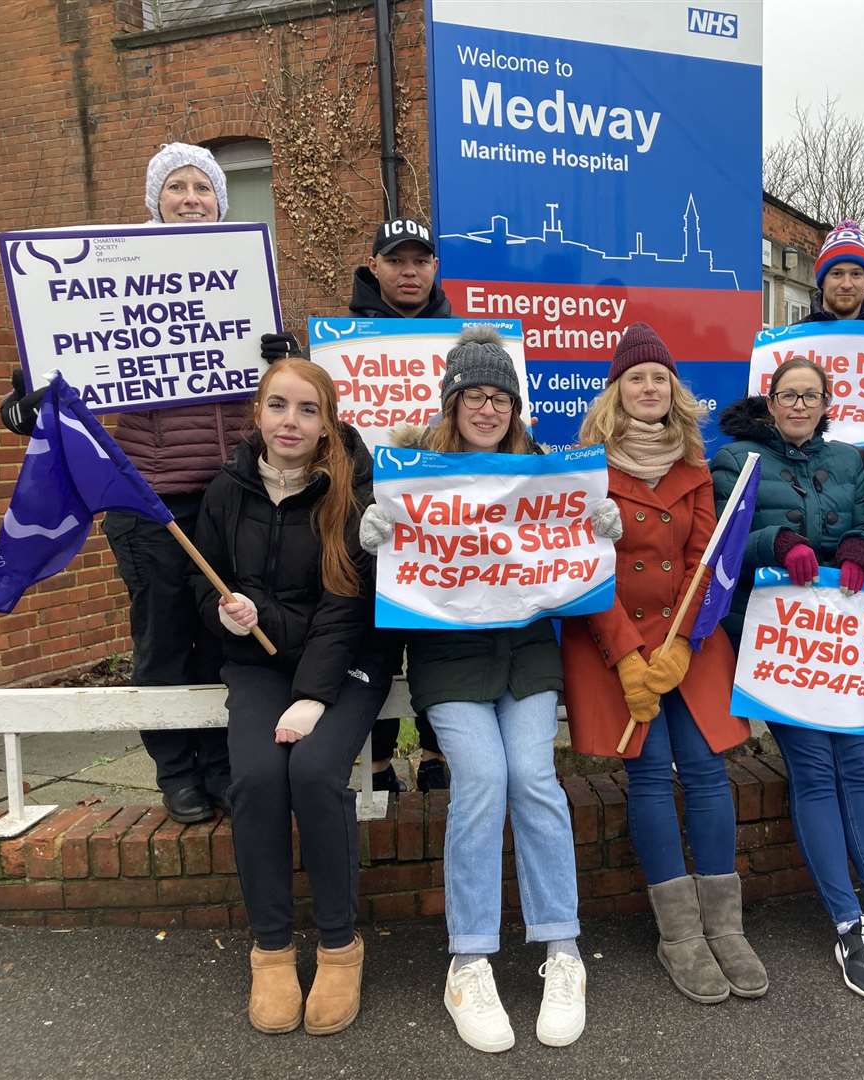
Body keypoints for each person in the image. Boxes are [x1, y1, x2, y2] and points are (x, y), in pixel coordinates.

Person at [0, 142, 294, 825]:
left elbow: (288, 402)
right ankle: (177, 770)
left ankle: (222, 763)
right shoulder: (115, 279)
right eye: (177, 187)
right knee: (162, 637)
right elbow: (59, 370)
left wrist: (284, 358)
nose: (191, 197)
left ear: (221, 203)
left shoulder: (245, 292)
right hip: (146, 498)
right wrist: (25, 401)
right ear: (155, 201)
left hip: (231, 496)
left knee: (225, 635)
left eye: (204, 188)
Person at [357, 327, 608, 1052]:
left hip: (526, 656)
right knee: (484, 780)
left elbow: (568, 562)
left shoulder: (543, 472)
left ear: (515, 405)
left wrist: (596, 533)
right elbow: (391, 575)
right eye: (474, 395)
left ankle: (563, 950)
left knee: (533, 777)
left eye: (500, 396)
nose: (488, 407)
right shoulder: (417, 472)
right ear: (452, 401)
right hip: (451, 658)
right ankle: (469, 959)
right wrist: (373, 537)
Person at [561, 322, 768, 1005]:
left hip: (690, 644)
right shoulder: (585, 468)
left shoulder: (696, 466)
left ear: (673, 391)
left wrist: (682, 646)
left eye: (658, 378)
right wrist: (627, 658)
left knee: (707, 773)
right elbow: (585, 574)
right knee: (649, 777)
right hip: (614, 648)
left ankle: (725, 927)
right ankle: (678, 934)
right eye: (635, 378)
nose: (648, 388)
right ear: (616, 393)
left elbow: (707, 560)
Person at [711, 357, 864, 1000]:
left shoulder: (848, 460)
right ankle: (846, 922)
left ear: (826, 402)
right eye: (788, 395)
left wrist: (862, 547)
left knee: (857, 767)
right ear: (770, 401)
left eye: (811, 395)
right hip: (778, 636)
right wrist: (775, 542)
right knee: (813, 771)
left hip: (835, 633)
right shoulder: (737, 461)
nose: (799, 405)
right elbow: (728, 538)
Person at [191, 359, 394, 1036]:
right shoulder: (225, 490)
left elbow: (347, 606)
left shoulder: (350, 494)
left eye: (308, 410)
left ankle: (340, 945)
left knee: (311, 771)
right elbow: (205, 583)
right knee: (254, 778)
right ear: (257, 413)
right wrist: (226, 613)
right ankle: (271, 948)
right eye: (278, 406)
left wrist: (312, 696)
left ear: (328, 422)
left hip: (342, 665)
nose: (290, 421)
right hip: (257, 665)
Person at [348, 218, 455, 794]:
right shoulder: (347, 336)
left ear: (434, 268)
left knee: (440, 636)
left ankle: (437, 750)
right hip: (368, 508)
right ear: (375, 266)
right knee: (377, 638)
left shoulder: (462, 337)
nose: (409, 271)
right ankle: (382, 762)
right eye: (396, 260)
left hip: (442, 518)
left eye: (420, 260)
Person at [797, 220, 864, 324]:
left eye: (856, 274)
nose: (846, 285)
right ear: (822, 281)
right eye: (837, 274)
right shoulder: (793, 339)